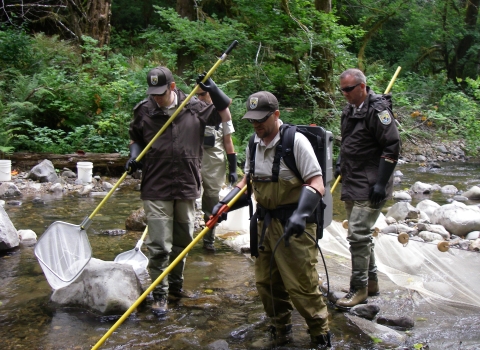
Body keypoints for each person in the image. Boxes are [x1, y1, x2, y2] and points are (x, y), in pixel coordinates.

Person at [212, 91, 331, 348]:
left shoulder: (296, 142)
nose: (256, 125)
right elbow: (248, 181)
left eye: (261, 119)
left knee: (301, 285)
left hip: (295, 226)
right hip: (264, 224)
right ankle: (280, 328)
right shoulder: (253, 143)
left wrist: (300, 214)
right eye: (252, 120)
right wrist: (224, 204)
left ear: (276, 115)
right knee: (266, 283)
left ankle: (320, 335)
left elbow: (317, 182)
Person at [126, 66, 232, 314]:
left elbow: (225, 114)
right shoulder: (144, 110)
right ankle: (159, 294)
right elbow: (135, 138)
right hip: (155, 185)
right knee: (160, 244)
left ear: (172, 87)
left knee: (182, 242)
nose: (156, 98)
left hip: (186, 184)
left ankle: (176, 288)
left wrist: (212, 89)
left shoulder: (194, 107)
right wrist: (133, 156)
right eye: (152, 93)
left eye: (160, 93)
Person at [335, 68, 400, 309]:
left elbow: (392, 146)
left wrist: (381, 183)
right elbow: (349, 140)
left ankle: (358, 288)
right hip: (353, 178)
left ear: (362, 86)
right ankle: (371, 283)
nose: (345, 94)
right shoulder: (349, 109)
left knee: (358, 234)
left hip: (372, 181)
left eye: (349, 89)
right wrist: (341, 162)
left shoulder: (378, 111)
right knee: (360, 234)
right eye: (342, 90)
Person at [196, 87, 238, 251]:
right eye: (197, 94)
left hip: (214, 166)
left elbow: (228, 142)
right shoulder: (193, 113)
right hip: (194, 163)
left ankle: (208, 240)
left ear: (211, 95)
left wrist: (233, 169)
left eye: (203, 94)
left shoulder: (222, 114)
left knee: (211, 203)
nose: (199, 98)